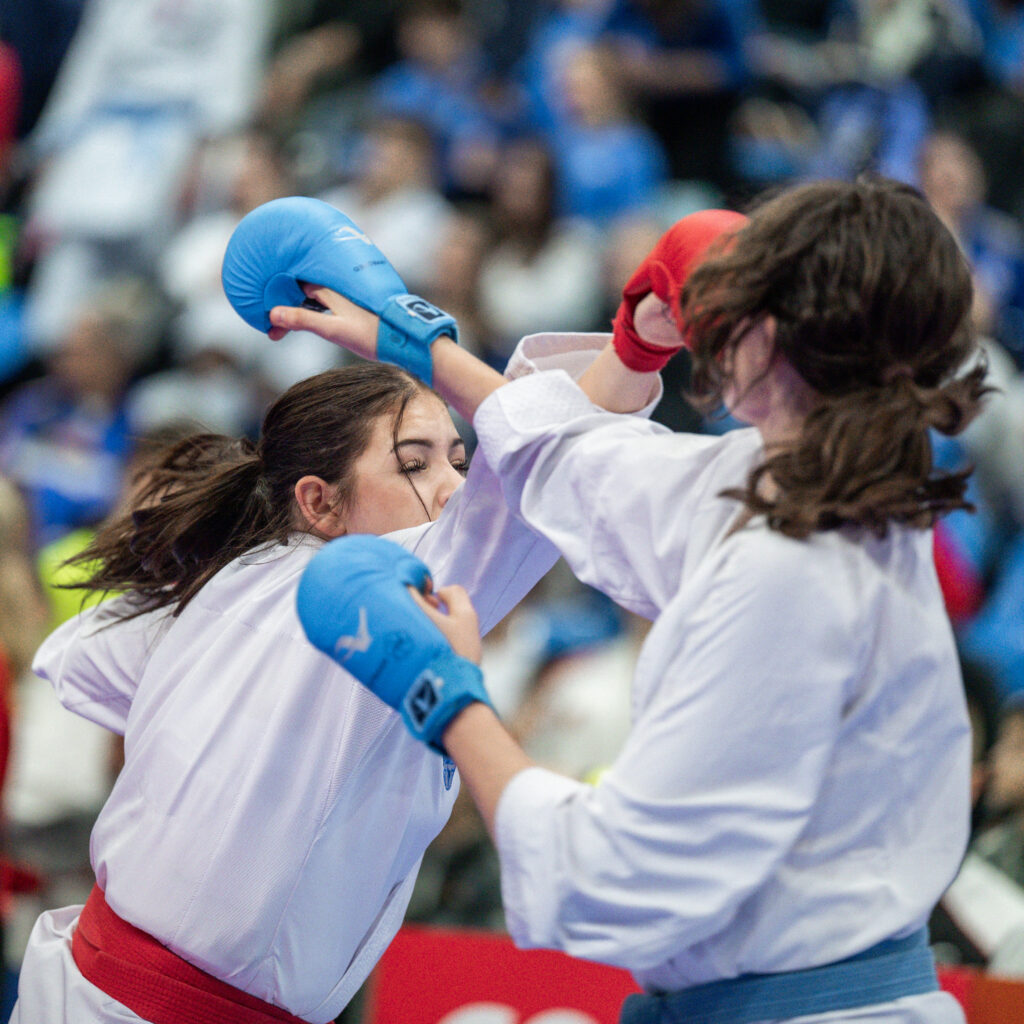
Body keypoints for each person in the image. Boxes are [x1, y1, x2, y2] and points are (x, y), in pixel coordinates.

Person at [273, 176, 988, 1023]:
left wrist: (446, 693)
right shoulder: (819, 491)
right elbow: (580, 464)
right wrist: (418, 341)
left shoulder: (790, 574)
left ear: (767, 335)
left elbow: (615, 879)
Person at [10, 216, 665, 1019]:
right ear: (318, 503)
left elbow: (91, 669)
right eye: (415, 464)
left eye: (459, 461)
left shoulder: (229, 579)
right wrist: (638, 345)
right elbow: (537, 476)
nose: (455, 490)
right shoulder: (357, 593)